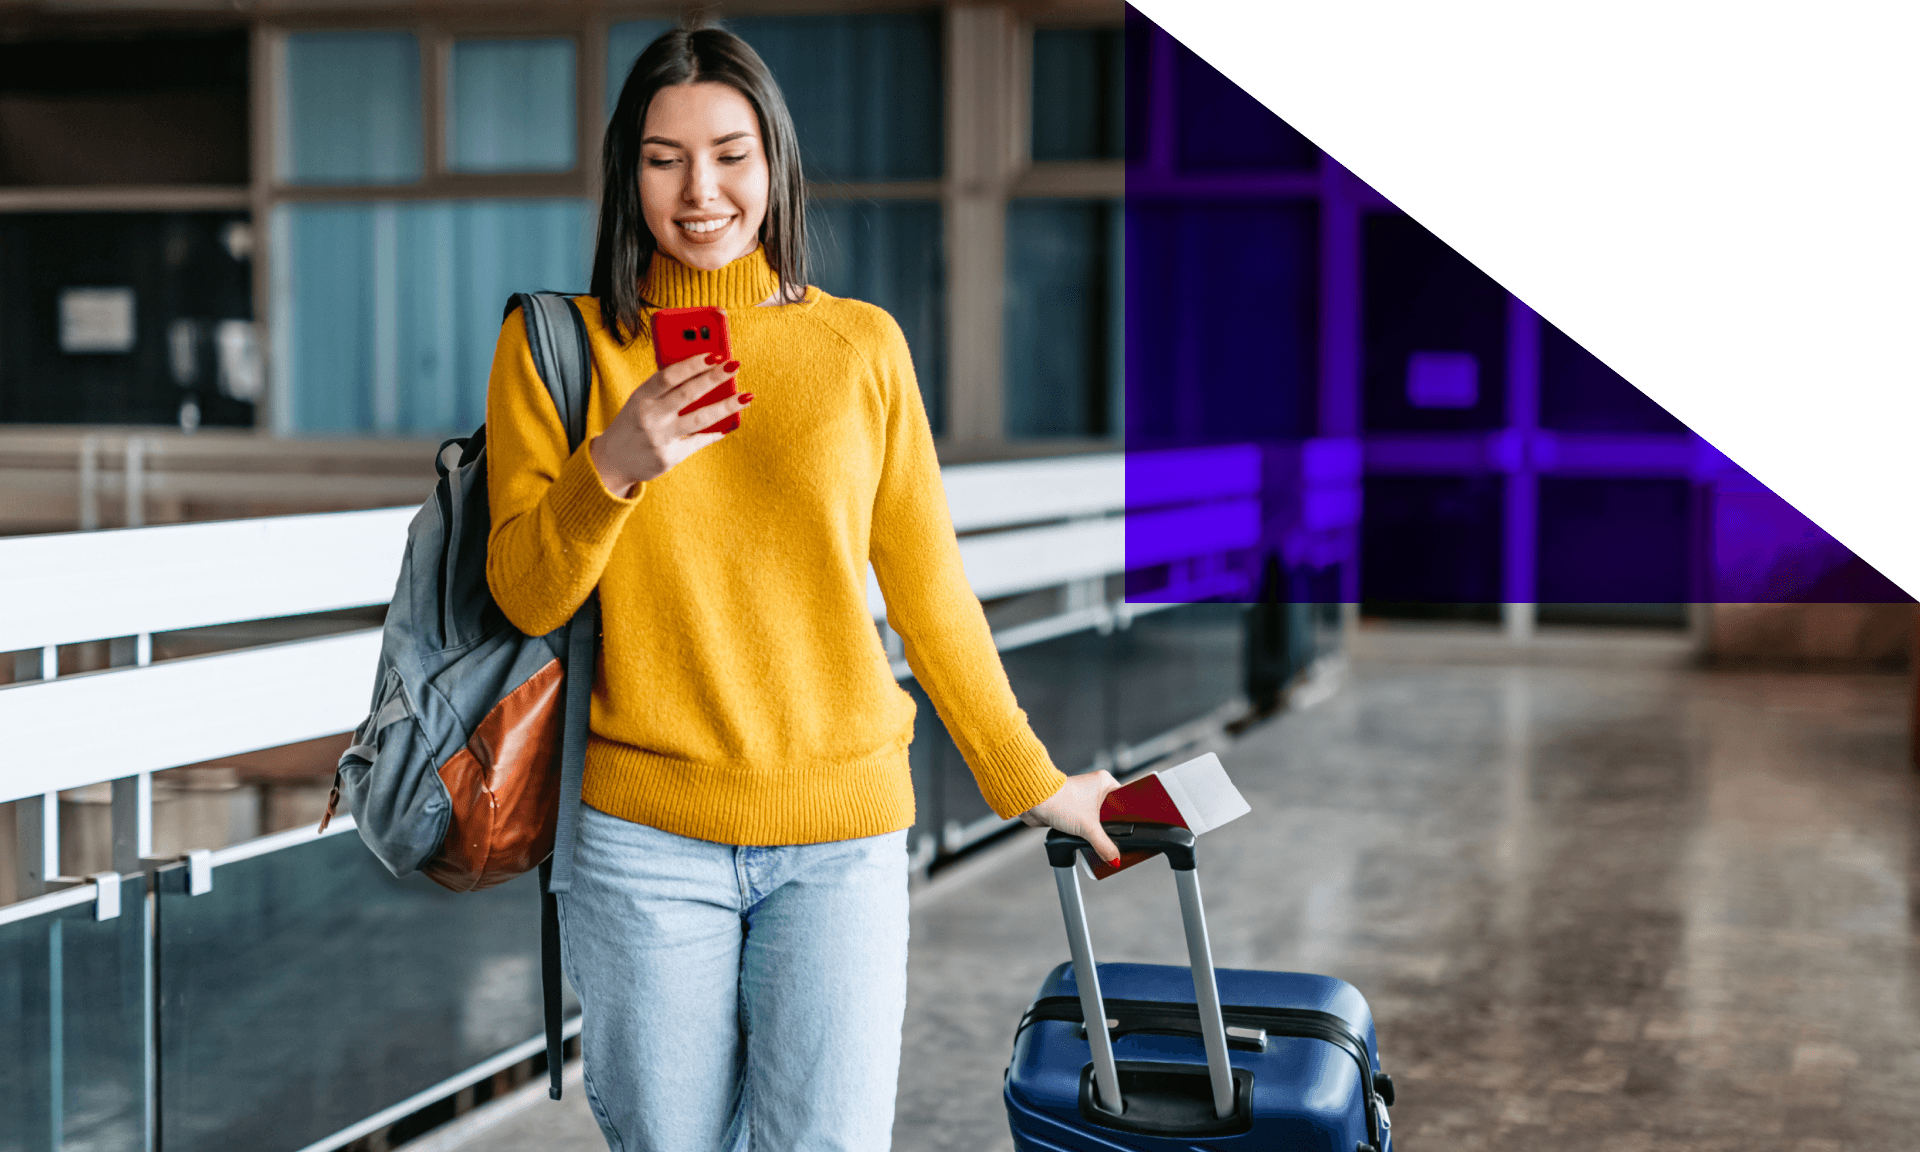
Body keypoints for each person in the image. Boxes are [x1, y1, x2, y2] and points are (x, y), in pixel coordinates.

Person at [484, 23, 1122, 1152]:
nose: (700, 191)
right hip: (641, 837)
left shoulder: (860, 347)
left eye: (730, 152)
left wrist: (1036, 784)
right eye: (663, 157)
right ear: (625, 174)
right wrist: (613, 466)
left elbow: (931, 594)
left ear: (773, 160)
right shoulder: (559, 348)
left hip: (842, 837)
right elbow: (526, 596)